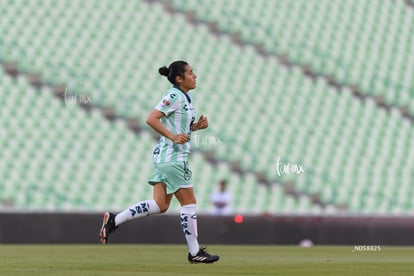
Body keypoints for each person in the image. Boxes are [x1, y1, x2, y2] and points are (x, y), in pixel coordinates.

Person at [99, 60, 219, 264]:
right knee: (189, 203)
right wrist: (173, 137)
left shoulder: (185, 98)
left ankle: (114, 220)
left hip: (164, 157)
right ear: (179, 79)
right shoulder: (174, 96)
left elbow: (180, 127)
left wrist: (196, 127)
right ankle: (195, 252)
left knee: (160, 205)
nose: (195, 75)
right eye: (190, 73)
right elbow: (151, 118)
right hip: (173, 157)